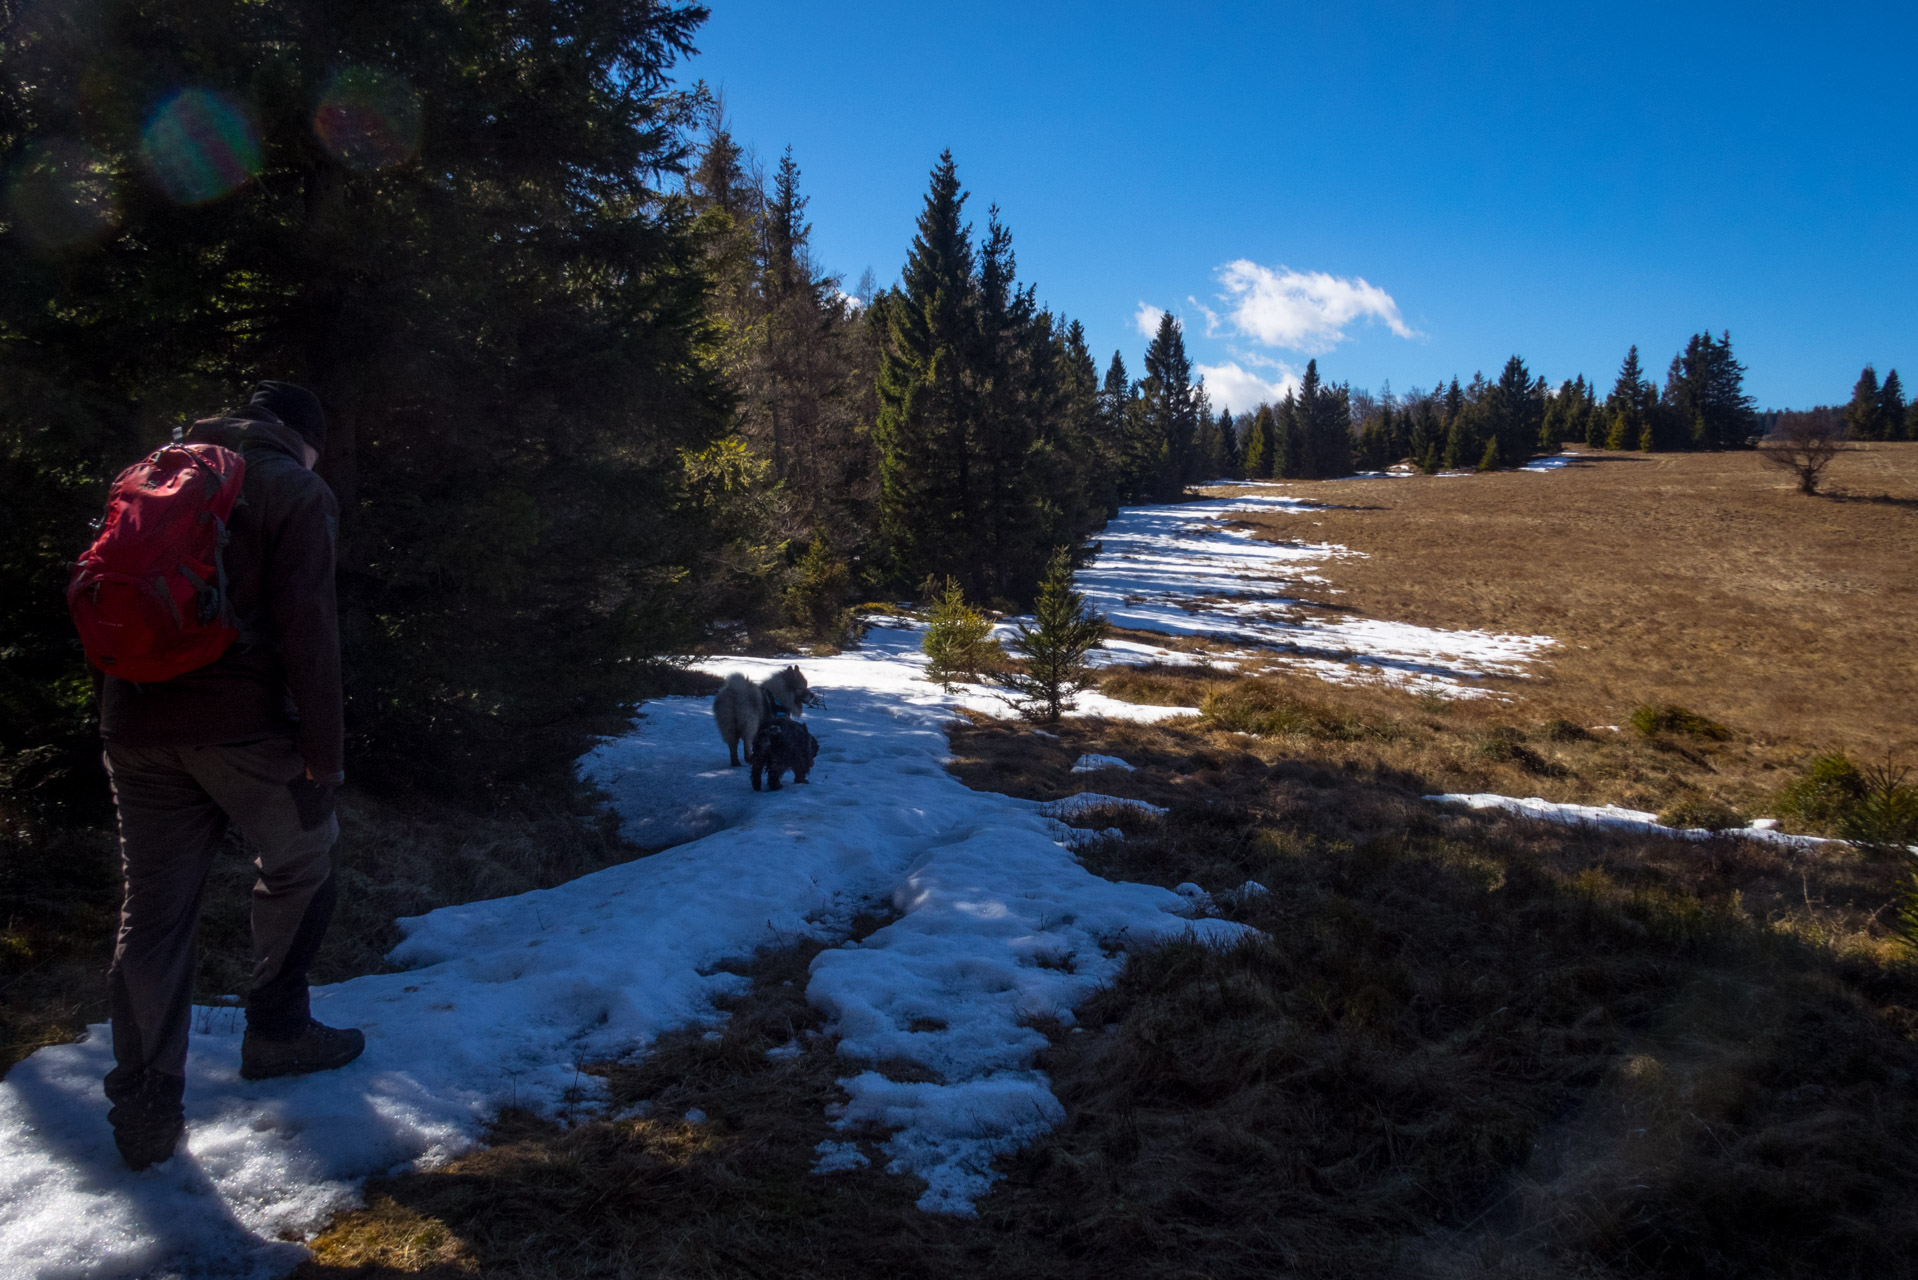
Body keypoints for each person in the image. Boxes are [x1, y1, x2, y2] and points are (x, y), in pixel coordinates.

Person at [96, 380, 361, 1172]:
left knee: (153, 913)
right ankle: (278, 1031)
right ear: (303, 437)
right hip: (239, 727)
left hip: (134, 726)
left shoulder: (156, 471)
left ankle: (145, 1102)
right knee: (306, 855)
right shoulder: (294, 486)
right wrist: (326, 749)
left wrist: (116, 725)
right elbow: (308, 624)